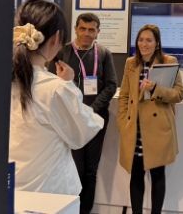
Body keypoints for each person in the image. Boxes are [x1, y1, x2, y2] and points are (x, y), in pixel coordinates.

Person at [9, 0, 104, 195]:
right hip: (50, 191)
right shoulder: (55, 89)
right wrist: (68, 85)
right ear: (57, 38)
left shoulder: (1, 82)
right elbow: (82, 131)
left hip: (9, 186)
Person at [50, 13, 117, 214]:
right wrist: (76, 111)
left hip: (95, 120)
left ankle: (85, 211)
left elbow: (111, 85)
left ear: (98, 32)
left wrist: (90, 110)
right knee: (74, 168)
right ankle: (72, 209)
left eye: (91, 30)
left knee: (90, 170)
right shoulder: (62, 53)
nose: (87, 33)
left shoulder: (104, 54)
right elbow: (52, 83)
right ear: (76, 29)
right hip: (70, 119)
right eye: (83, 29)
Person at [117, 24, 183, 214]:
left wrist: (155, 88)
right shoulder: (131, 63)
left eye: (149, 40)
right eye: (140, 40)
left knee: (157, 175)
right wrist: (123, 122)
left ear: (157, 43)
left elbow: (179, 94)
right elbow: (124, 95)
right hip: (134, 129)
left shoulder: (168, 61)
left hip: (158, 129)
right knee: (136, 175)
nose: (144, 44)